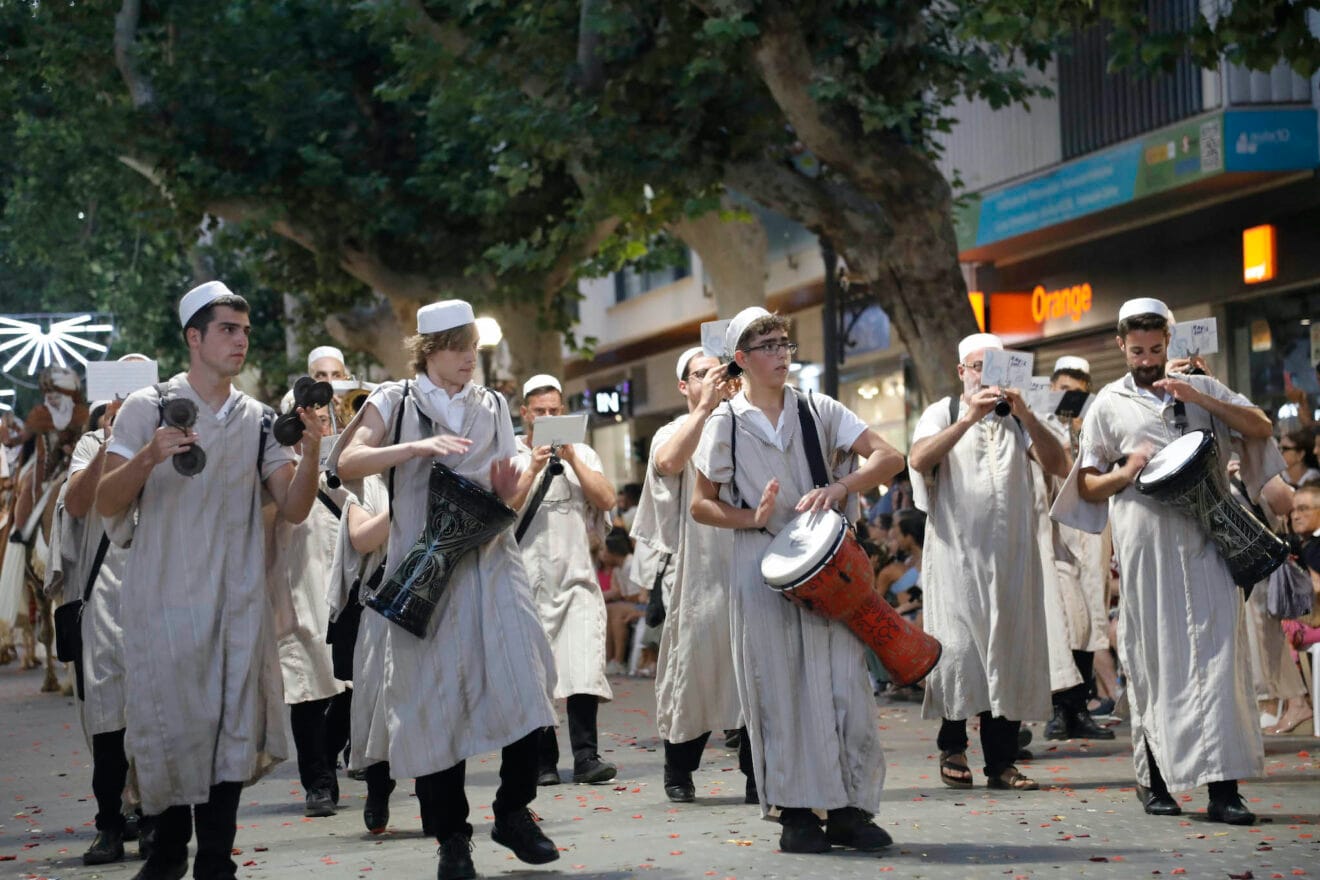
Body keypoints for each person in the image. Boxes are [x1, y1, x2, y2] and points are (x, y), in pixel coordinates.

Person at [96, 281, 323, 880]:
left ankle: (216, 861)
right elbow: (105, 500)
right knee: (172, 725)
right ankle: (168, 855)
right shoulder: (149, 405)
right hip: (164, 601)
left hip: (237, 601)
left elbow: (294, 507)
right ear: (194, 338)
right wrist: (148, 456)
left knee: (231, 727)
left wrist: (316, 450)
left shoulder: (257, 420)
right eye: (228, 329)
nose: (240, 340)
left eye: (245, 331)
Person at [333, 299, 561, 880]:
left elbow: (506, 486)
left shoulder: (490, 405)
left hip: (491, 563)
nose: (469, 360)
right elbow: (347, 463)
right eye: (459, 349)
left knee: (529, 683)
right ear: (430, 350)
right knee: (433, 710)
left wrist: (514, 483)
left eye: (474, 350)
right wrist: (415, 448)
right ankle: (452, 841)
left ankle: (513, 811)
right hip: (427, 572)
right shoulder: (394, 400)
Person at [1054, 296, 1280, 825]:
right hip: (1147, 547)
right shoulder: (1107, 404)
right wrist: (1126, 471)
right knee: (1154, 659)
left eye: (1156, 349)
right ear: (1120, 346)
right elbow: (1087, 485)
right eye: (1137, 351)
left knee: (1220, 662)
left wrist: (1198, 395)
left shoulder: (1200, 387)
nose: (1148, 359)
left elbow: (1261, 427)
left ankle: (1224, 791)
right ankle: (1155, 780)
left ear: (1168, 343)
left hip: (1210, 543)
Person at [692, 307, 905, 854]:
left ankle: (848, 809)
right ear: (741, 359)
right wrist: (751, 518)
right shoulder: (724, 423)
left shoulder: (817, 408)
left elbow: (890, 457)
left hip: (828, 570)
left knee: (843, 689)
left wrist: (841, 487)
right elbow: (700, 505)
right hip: (758, 568)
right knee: (778, 691)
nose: (781, 354)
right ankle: (795, 814)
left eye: (784, 343)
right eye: (767, 345)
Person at [909, 332, 1067, 792]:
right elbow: (918, 459)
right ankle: (952, 745)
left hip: (1013, 560)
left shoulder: (1019, 419)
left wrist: (1027, 415)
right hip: (956, 557)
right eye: (978, 367)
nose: (986, 376)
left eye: (995, 367)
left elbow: (1059, 463)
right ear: (962, 372)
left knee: (1009, 652)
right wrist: (969, 417)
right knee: (958, 652)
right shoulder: (944, 412)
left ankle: (1000, 763)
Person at [632, 347, 750, 804]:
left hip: (749, 562)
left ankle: (758, 774)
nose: (716, 379)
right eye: (704, 374)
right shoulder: (673, 429)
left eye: (722, 371)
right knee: (694, 670)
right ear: (685, 386)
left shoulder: (745, 420)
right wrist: (704, 409)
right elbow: (667, 463)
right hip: (697, 572)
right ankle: (679, 767)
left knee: (752, 670)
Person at [511, 374, 618, 786]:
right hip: (526, 585)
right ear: (525, 414)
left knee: (583, 666)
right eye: (541, 412)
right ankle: (542, 760)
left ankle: (587, 756)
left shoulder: (585, 453)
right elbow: (505, 509)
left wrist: (572, 459)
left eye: (556, 411)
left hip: (576, 580)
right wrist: (534, 465)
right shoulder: (512, 455)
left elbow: (607, 500)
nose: (550, 417)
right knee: (536, 673)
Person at [49, 395, 141, 865]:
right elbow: (79, 503)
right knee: (107, 719)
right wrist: (110, 438)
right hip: (102, 599)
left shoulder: (166, 442)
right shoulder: (89, 444)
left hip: (156, 595)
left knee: (157, 713)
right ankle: (109, 822)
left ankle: (154, 818)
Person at [267, 389, 350, 818]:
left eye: (327, 414)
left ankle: (332, 758)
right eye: (311, 416)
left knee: (351, 691)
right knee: (307, 693)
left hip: (346, 592)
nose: (323, 421)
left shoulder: (352, 463)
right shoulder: (276, 470)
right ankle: (317, 782)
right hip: (297, 588)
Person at [1039, 356, 1115, 742]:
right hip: (1055, 530)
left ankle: (1079, 709)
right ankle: (1056, 707)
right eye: (1062, 390)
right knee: (1064, 618)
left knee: (1092, 620)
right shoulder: (1038, 424)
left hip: (1093, 528)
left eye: (1077, 393)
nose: (1068, 399)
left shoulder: (1098, 421)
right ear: (1051, 388)